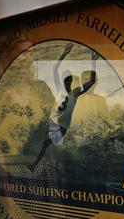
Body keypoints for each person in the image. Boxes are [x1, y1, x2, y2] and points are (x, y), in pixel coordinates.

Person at [30, 43, 97, 171]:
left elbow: (91, 81)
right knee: (46, 144)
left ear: (71, 81)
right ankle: (41, 164)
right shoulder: (59, 88)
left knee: (47, 144)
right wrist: (65, 53)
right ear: (62, 79)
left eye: (68, 79)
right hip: (53, 122)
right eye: (64, 79)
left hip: (62, 127)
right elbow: (54, 69)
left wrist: (93, 61)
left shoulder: (75, 92)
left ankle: (37, 165)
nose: (66, 81)